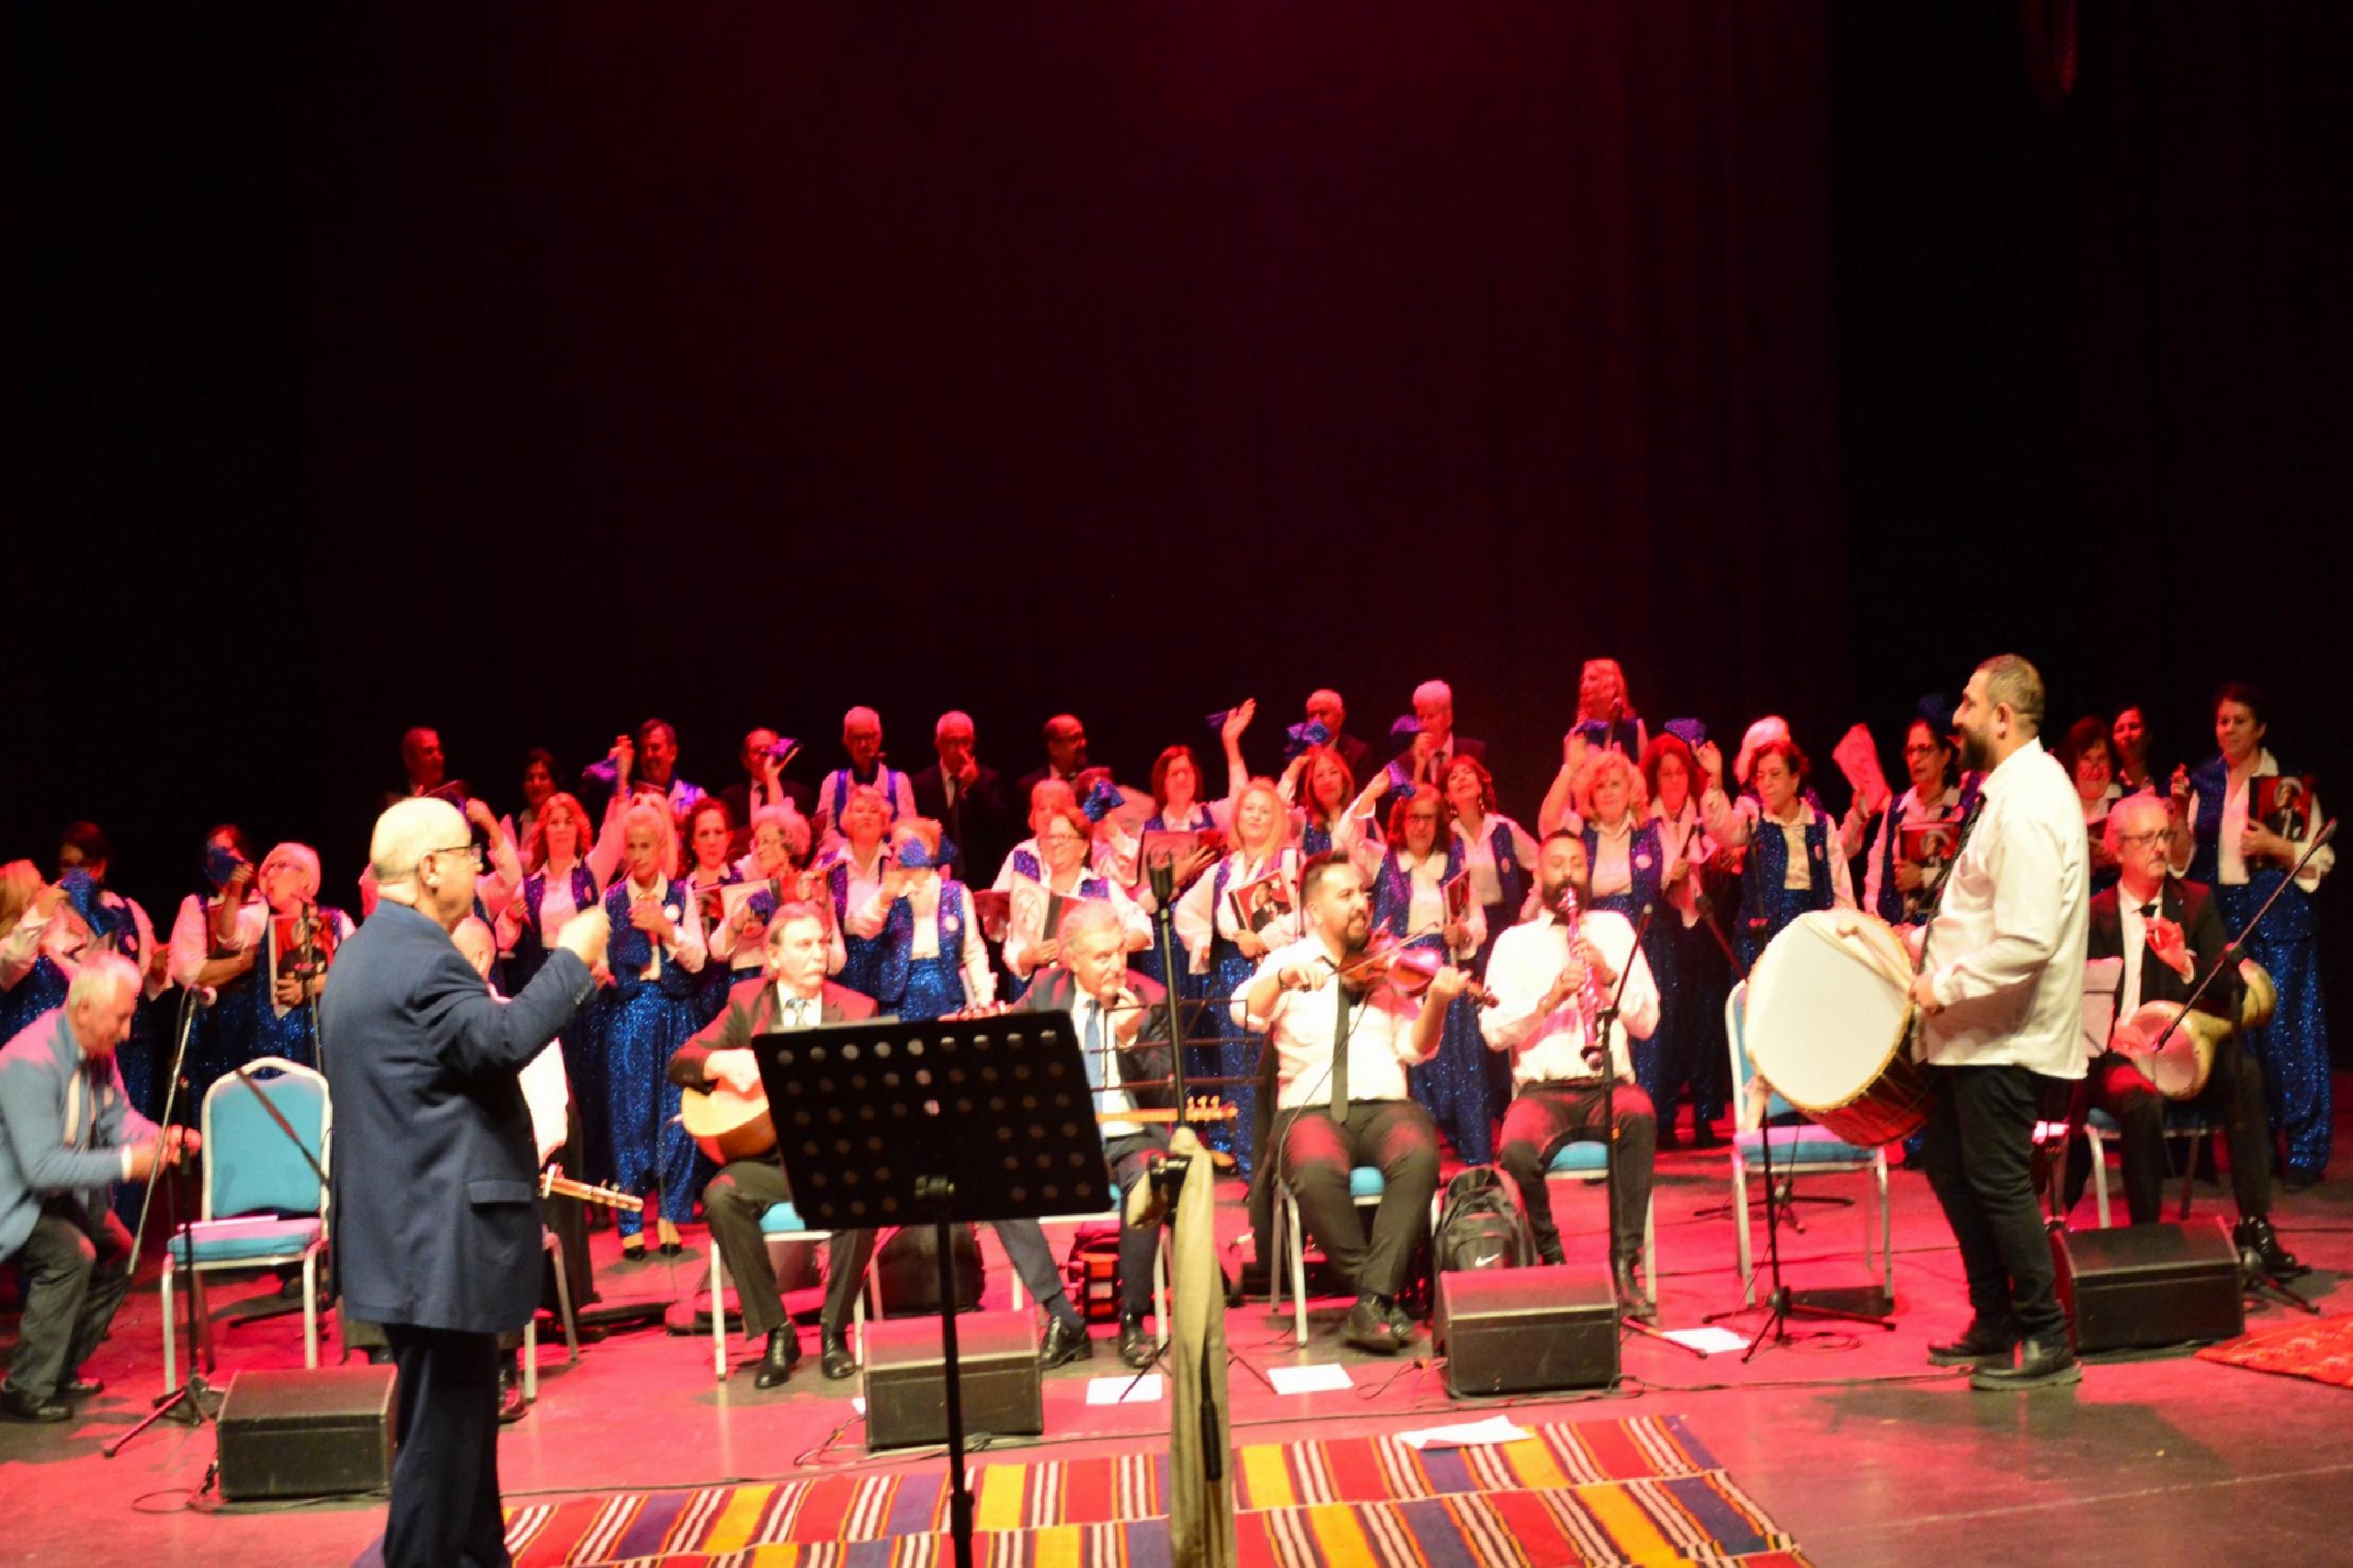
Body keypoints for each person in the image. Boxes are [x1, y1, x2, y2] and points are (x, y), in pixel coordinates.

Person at [322, 797, 608, 1567]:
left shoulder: (362, 953)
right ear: (429, 868)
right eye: (468, 855)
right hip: (437, 1239)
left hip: (404, 1235)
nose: (480, 869)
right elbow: (501, 1039)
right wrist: (573, 957)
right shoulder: (421, 957)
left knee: (459, 1429)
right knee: (439, 1451)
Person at [1905, 654, 2089, 1391]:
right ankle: (1995, 1318)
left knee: (1997, 1178)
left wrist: (1941, 984)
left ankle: (2049, 1338)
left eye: (1970, 704)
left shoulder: (2032, 801)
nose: (1957, 717)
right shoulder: (2005, 792)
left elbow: (2028, 938)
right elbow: (1982, 912)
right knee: (1952, 1167)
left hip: (2007, 1037)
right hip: (1975, 1034)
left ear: (2004, 718)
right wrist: (1914, 946)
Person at [2069, 797, 2302, 1274]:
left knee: (2246, 1073)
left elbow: (2231, 993)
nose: (2160, 847)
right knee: (2140, 1100)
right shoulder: (2090, 914)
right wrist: (2111, 1031)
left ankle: (2256, 1223)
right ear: (2117, 849)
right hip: (2118, 1057)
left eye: (2166, 835)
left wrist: (2185, 963)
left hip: (2183, 1050)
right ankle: (2150, 1238)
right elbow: (2070, 999)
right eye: (2147, 838)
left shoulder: (2195, 902)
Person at [1243, 855, 1458, 1353]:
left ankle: (1370, 1301)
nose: (1362, 904)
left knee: (1420, 1156)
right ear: (1314, 910)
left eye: (1362, 893)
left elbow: (1416, 1047)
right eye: (1346, 896)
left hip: (1385, 1106)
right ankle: (1378, 1297)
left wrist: (1439, 1003)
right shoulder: (1287, 960)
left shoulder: (1388, 965)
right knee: (1315, 1170)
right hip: (1311, 1110)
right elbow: (1245, 1014)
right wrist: (1280, 980)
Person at [672, 903, 876, 1388]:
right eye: (803, 946)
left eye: (821, 943)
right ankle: (776, 1330)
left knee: (865, 1197)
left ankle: (834, 1330)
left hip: (832, 1162)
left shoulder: (855, 1010)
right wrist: (722, 1063)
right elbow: (683, 1061)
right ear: (774, 956)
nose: (817, 956)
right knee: (722, 1195)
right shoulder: (748, 1003)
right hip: (769, 1162)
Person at [0, 953, 192, 1423]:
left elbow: (115, 1117)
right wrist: (130, 1163)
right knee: (71, 1254)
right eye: (122, 1018)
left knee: (121, 1252)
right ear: (84, 1008)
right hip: (16, 1198)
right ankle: (24, 1386)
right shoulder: (29, 1061)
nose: (127, 1033)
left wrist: (160, 1136)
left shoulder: (96, 1053)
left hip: (58, 1195)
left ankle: (57, 1367)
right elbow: (41, 1168)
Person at [1482, 832, 1661, 1317]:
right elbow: (1493, 1031)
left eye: (1576, 865)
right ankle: (1552, 1254)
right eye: (1556, 865)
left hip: (1609, 1087)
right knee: (1516, 1148)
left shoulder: (1617, 929)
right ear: (1538, 878)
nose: (1567, 874)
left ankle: (1624, 1265)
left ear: (1588, 874)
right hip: (1542, 1093)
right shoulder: (1513, 943)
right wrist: (1548, 1001)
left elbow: (1648, 1022)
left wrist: (1605, 979)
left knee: (1640, 1119)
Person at [2168, 682, 2334, 1188]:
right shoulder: (2203, 782)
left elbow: (2319, 859)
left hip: (2280, 924)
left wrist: (2275, 844)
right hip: (2227, 926)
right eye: (2222, 721)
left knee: (2289, 1039)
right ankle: (2256, 1149)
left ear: (2260, 728)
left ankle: (2305, 1151)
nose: (2229, 730)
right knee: (2243, 1044)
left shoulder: (2287, 784)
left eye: (2240, 721)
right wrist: (2176, 809)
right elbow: (2180, 860)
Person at [1011, 900, 1180, 1369]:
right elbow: (1013, 1060)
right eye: (1101, 957)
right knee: (999, 1185)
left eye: (1119, 952)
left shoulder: (1150, 996)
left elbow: (1164, 1086)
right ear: (1071, 958)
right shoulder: (1045, 994)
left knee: (1150, 1176)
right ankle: (1062, 1317)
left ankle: (1133, 1318)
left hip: (1131, 1137)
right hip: (1066, 1139)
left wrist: (1130, 1040)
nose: (1115, 966)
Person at [594, 799, 706, 1258]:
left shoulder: (681, 894)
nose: (638, 856)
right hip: (630, 1015)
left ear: (662, 849)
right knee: (630, 1119)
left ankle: (671, 1215)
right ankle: (630, 1220)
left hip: (675, 1011)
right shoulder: (612, 899)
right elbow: (598, 958)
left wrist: (667, 929)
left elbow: (698, 959)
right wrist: (600, 972)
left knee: (675, 1117)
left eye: (646, 847)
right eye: (632, 847)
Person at [1172, 779, 1302, 1176]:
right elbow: (1184, 914)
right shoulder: (1222, 870)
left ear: (1277, 819)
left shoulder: (1290, 862)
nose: (1256, 817)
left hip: (1277, 971)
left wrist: (1263, 938)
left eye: (1265, 811)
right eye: (1249, 810)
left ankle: (1288, 1159)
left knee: (1280, 1066)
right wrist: (1204, 943)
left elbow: (1304, 915)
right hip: (1230, 977)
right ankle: (1250, 1166)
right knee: (1240, 1074)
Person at [1360, 782, 1487, 1162]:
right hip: (1398, 976)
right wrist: (1374, 790)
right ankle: (1411, 1155)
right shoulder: (1382, 860)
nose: (1420, 826)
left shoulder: (1453, 864)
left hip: (1441, 974)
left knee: (1461, 1066)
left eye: (1428, 818)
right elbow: (1346, 832)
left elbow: (1477, 923)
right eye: (1413, 817)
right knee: (1410, 1062)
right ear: (1402, 820)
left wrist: (1461, 932)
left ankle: (1476, 1157)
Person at [1639, 732, 1728, 1148]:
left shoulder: (1704, 817)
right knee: (1669, 1025)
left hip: (1704, 932)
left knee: (1706, 1023)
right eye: (1665, 773)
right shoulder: (1644, 822)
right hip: (1666, 932)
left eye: (1679, 773)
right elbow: (1639, 878)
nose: (1673, 781)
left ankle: (1707, 1118)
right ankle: (1665, 1118)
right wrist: (1664, 879)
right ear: (1654, 779)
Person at [1700, 733, 1855, 970]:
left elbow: (1840, 887)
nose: (1766, 783)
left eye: (1775, 775)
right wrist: (1715, 782)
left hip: (1810, 940)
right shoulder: (1754, 820)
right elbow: (1724, 830)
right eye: (1760, 776)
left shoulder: (1822, 826)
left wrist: (1844, 934)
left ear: (1795, 779)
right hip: (1761, 943)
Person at [165, 824, 269, 1113]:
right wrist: (243, 963)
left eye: (226, 852)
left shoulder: (266, 905)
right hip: (212, 1028)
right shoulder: (196, 906)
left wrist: (218, 967)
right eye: (213, 856)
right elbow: (188, 971)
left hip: (259, 1024)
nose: (221, 862)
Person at [848, 820, 993, 1020]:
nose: (898, 851)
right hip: (899, 996)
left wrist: (984, 999)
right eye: (895, 845)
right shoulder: (889, 892)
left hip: (947, 993)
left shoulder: (955, 892)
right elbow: (863, 928)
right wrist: (884, 898)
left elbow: (973, 950)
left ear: (928, 848)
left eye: (905, 843)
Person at [1003, 796, 1151, 988]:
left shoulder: (1104, 889)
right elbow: (1013, 952)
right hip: (1045, 1000)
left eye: (1063, 837)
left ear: (1083, 848)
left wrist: (1105, 945)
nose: (1055, 843)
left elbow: (1143, 930)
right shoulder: (1031, 893)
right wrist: (1031, 956)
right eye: (1050, 837)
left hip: (1098, 997)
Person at [1852, 709, 1968, 928]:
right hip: (1896, 928)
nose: (1915, 759)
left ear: (1945, 755)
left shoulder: (1960, 808)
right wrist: (1873, 915)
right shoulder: (1898, 807)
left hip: (1943, 931)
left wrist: (1923, 877)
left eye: (1924, 749)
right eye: (1910, 751)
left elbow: (1969, 874)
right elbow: (1876, 866)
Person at [250, 843, 356, 1070]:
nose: (269, 875)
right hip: (272, 1051)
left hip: (324, 1042)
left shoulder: (336, 921)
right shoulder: (259, 925)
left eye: (280, 866)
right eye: (266, 870)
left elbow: (356, 975)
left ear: (305, 877)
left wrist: (308, 987)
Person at [911, 710, 1016, 886]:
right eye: (953, 743)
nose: (960, 751)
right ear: (939, 745)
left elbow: (1003, 830)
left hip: (982, 879)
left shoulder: (990, 779)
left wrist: (976, 786)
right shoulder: (921, 784)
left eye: (966, 742)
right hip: (935, 881)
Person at [823, 785, 901, 1000]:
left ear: (884, 821)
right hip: (842, 971)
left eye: (874, 811)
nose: (866, 815)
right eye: (859, 810)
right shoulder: (827, 867)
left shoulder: (897, 862)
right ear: (846, 820)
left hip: (890, 967)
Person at [677, 798, 745, 1026]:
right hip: (692, 998)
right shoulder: (680, 889)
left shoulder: (743, 882)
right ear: (693, 842)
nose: (712, 841)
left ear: (729, 837)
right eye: (704, 834)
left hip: (736, 993)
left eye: (718, 832)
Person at [813, 706, 919, 844]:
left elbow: (909, 832)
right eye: (857, 738)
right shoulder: (832, 782)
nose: (863, 745)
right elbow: (825, 834)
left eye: (869, 737)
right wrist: (855, 853)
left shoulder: (899, 782)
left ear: (879, 738)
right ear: (846, 741)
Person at [2057, 715, 2124, 893]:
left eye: (2101, 758)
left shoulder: (2128, 804)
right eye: (2086, 758)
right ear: (2073, 763)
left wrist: (2118, 858)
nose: (2095, 767)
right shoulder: (2056, 809)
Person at [718, 727, 815, 846]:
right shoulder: (730, 798)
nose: (763, 755)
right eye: (756, 750)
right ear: (745, 760)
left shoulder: (800, 794)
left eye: (769, 749)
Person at [1570, 657, 1647, 758]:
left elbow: (1645, 771)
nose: (1585, 685)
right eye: (1583, 680)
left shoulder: (1634, 728)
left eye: (1592, 678)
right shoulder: (1580, 731)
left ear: (1612, 685)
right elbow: (1570, 771)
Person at [502, 749, 560, 873]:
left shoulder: (566, 822)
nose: (536, 784)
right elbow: (504, 865)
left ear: (554, 783)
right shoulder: (511, 823)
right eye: (530, 778)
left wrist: (518, 859)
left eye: (543, 777)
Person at [1016, 712, 1093, 803]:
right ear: (1054, 748)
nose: (1083, 744)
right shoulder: (1029, 787)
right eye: (1074, 738)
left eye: (1082, 737)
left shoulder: (1096, 781)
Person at [1302, 687, 1374, 784]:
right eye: (1311, 715)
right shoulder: (1298, 753)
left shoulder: (1358, 754)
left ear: (1340, 717)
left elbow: (1363, 797)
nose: (1316, 721)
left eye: (1323, 713)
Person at [2110, 704, 2159, 796]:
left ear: (2148, 736)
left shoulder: (2167, 784)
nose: (2127, 735)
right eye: (2120, 729)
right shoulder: (2108, 789)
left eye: (2133, 727)